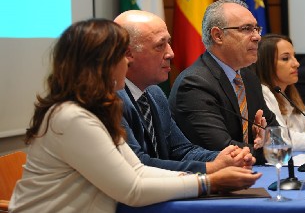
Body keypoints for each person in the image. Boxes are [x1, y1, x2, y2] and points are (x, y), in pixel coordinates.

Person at [9, 19, 260, 213]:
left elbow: (138, 170)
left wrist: (207, 176)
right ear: (102, 63)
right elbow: (132, 189)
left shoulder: (93, 110)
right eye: (122, 54)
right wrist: (210, 182)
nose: (126, 63)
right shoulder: (72, 117)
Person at [113, 10, 254, 174]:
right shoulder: (112, 99)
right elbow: (138, 164)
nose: (171, 53)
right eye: (160, 46)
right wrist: (208, 168)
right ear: (128, 54)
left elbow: (183, 150)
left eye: (169, 43)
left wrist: (225, 157)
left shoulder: (155, 94)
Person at [169, 0, 278, 164]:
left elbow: (276, 133)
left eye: (257, 29)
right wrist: (265, 150)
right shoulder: (194, 84)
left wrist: (266, 141)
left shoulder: (248, 78)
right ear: (218, 36)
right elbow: (221, 148)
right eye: (247, 29)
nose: (257, 37)